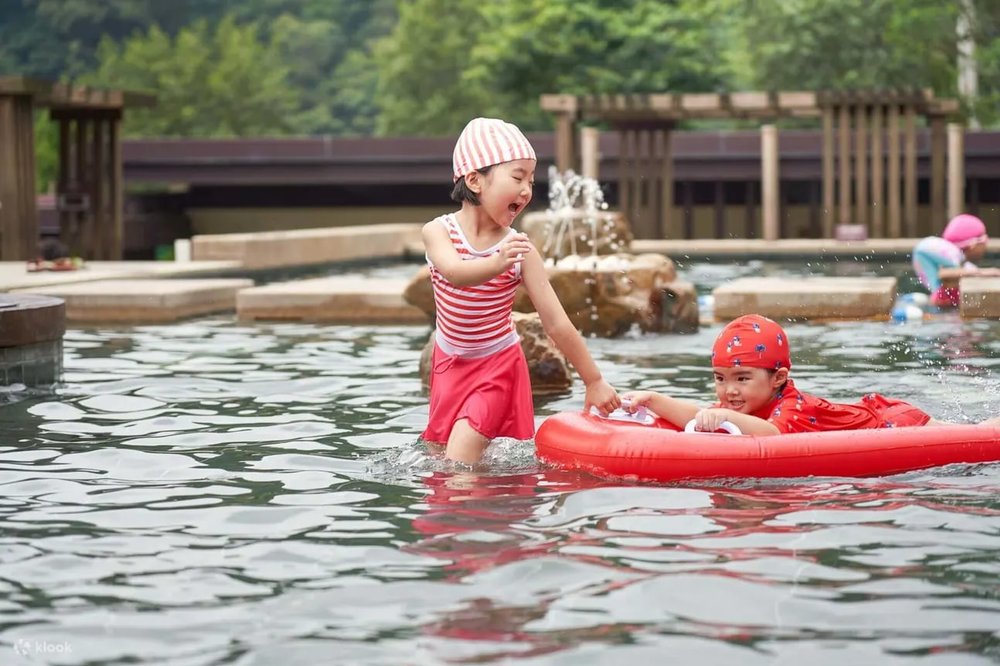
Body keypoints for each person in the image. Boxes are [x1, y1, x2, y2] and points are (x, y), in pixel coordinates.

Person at [422, 117, 620, 463]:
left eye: (531, 179)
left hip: (496, 366)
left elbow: (557, 324)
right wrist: (497, 263)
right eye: (517, 177)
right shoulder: (439, 231)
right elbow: (455, 273)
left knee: (459, 461)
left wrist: (594, 380)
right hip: (449, 363)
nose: (527, 189)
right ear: (474, 180)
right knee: (437, 457)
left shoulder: (520, 251)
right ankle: (483, 514)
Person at [623, 314, 1000, 435]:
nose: (728, 391)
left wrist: (722, 416)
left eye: (741, 379)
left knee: (978, 435)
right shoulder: (743, 405)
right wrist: (652, 399)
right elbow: (695, 415)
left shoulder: (791, 406)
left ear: (778, 378)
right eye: (720, 378)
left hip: (892, 423)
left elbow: (771, 436)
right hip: (871, 413)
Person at [912, 213, 1000, 307]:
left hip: (938, 301)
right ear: (972, 245)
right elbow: (944, 273)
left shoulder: (956, 260)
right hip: (940, 303)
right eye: (985, 240)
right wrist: (984, 272)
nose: (986, 246)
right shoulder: (953, 253)